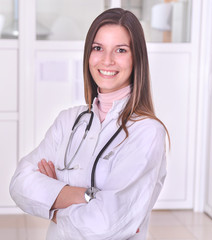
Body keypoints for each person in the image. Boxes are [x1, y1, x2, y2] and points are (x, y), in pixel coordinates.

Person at [10, 8, 169, 240]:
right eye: (98, 48)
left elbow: (105, 224)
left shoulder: (146, 132)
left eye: (121, 50)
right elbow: (20, 183)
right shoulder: (68, 121)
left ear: (137, 59)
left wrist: (52, 201)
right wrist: (88, 197)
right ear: (88, 54)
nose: (107, 60)